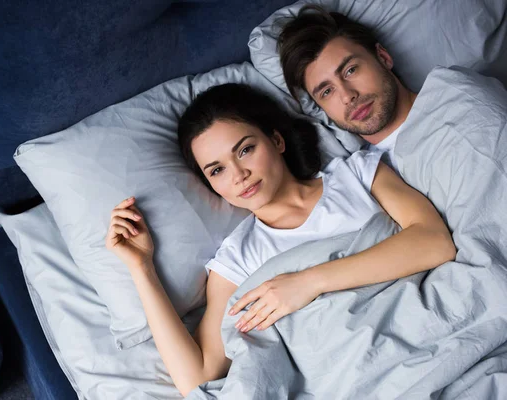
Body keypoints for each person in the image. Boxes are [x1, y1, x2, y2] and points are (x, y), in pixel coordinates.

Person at [105, 83, 455, 396]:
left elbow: (434, 242)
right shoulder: (238, 258)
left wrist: (308, 282)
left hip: (436, 343)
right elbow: (197, 376)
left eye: (244, 150)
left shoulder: (356, 175)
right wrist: (142, 268)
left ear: (276, 140)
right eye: (217, 170)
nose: (239, 176)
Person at [278, 5, 416, 173]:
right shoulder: (364, 176)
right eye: (327, 91)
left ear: (383, 57)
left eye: (350, 70)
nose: (347, 96)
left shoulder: (449, 94)